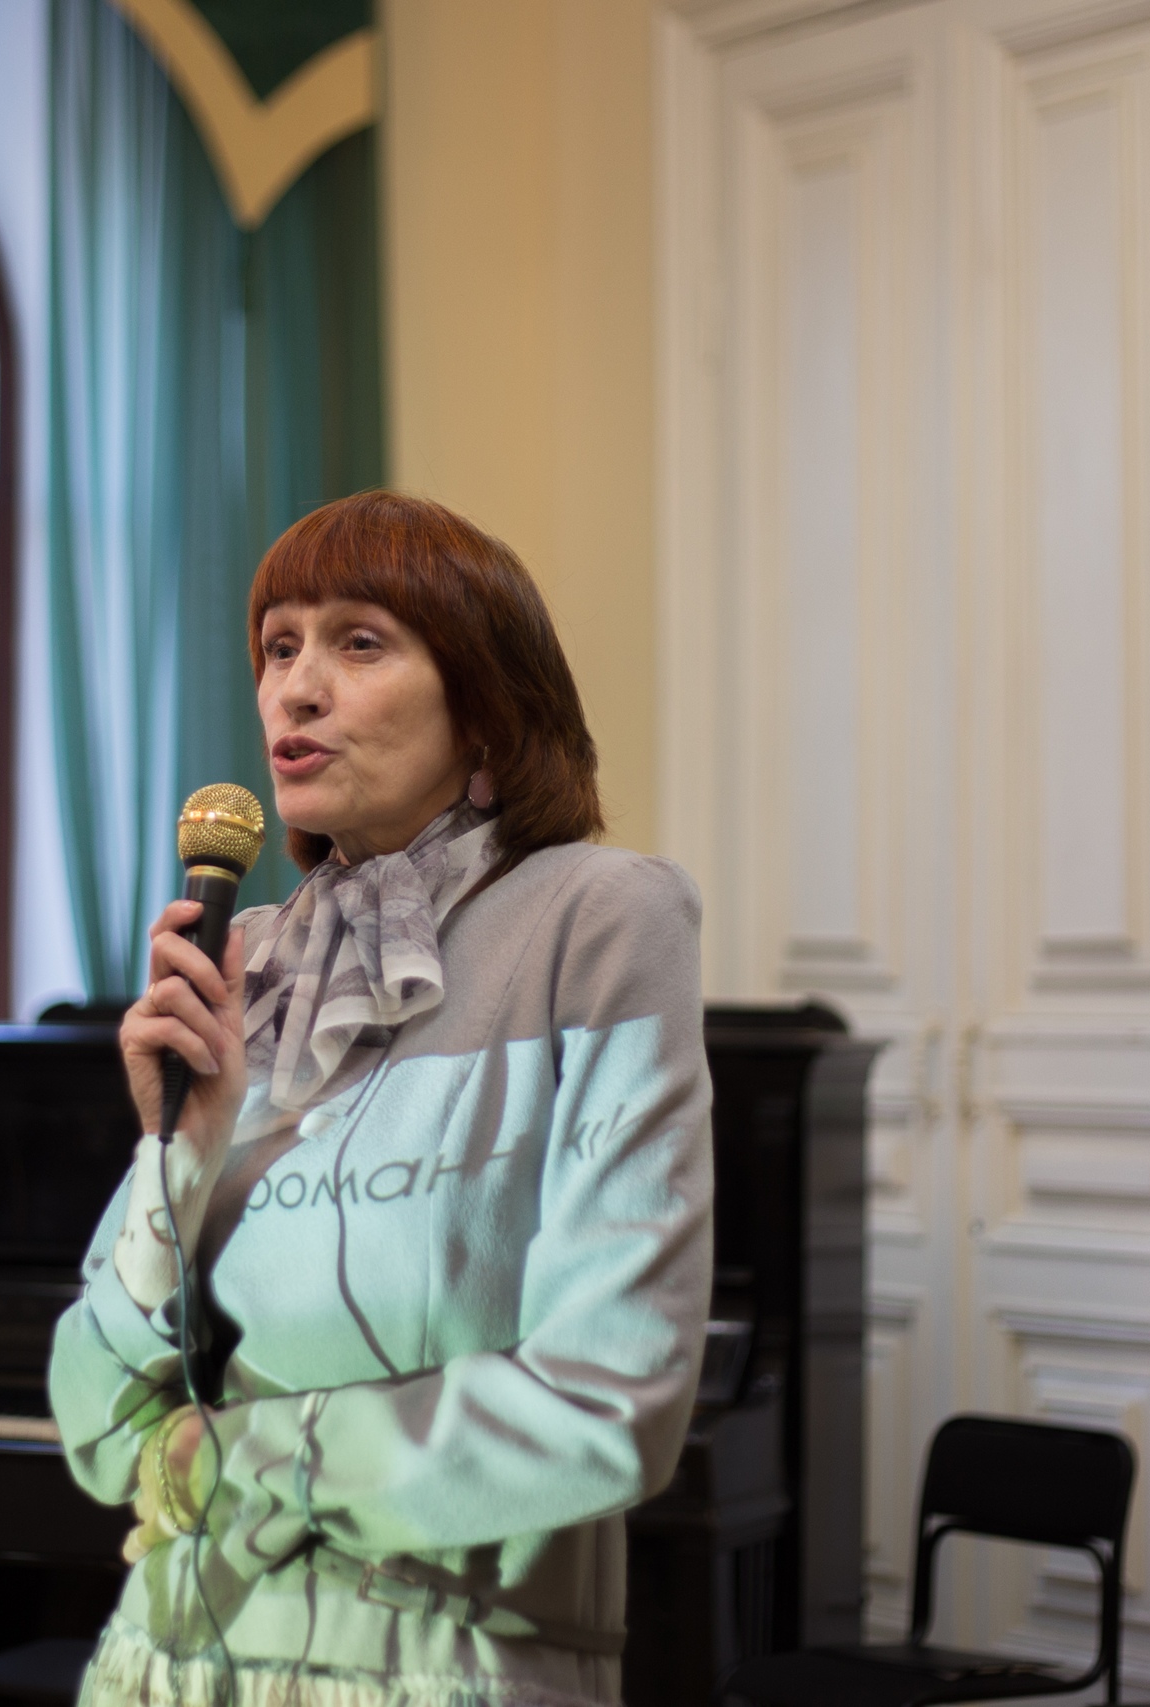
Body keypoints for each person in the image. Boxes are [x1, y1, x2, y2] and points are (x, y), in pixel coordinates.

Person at [50, 491, 714, 1707]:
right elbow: (93, 1427)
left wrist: (226, 1458)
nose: (295, 691)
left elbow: (606, 1405)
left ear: (487, 708)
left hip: (442, 1668)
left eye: (359, 643)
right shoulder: (246, 957)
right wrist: (178, 1153)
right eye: (278, 647)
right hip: (158, 1667)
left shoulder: (600, 917)